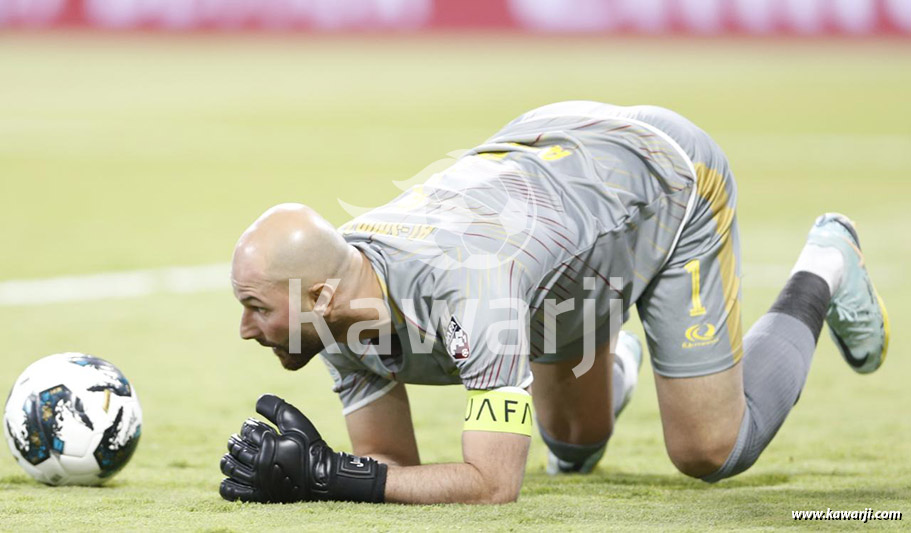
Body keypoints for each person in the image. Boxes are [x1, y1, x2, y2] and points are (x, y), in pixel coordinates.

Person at [218, 101, 889, 505]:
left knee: (707, 449)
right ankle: (613, 349)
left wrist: (334, 475)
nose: (245, 328)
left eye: (255, 306)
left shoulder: (467, 291)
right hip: (551, 219)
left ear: (322, 294)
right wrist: (325, 476)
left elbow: (491, 484)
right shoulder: (335, 302)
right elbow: (395, 469)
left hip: (660, 180)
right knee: (571, 445)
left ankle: (825, 263)